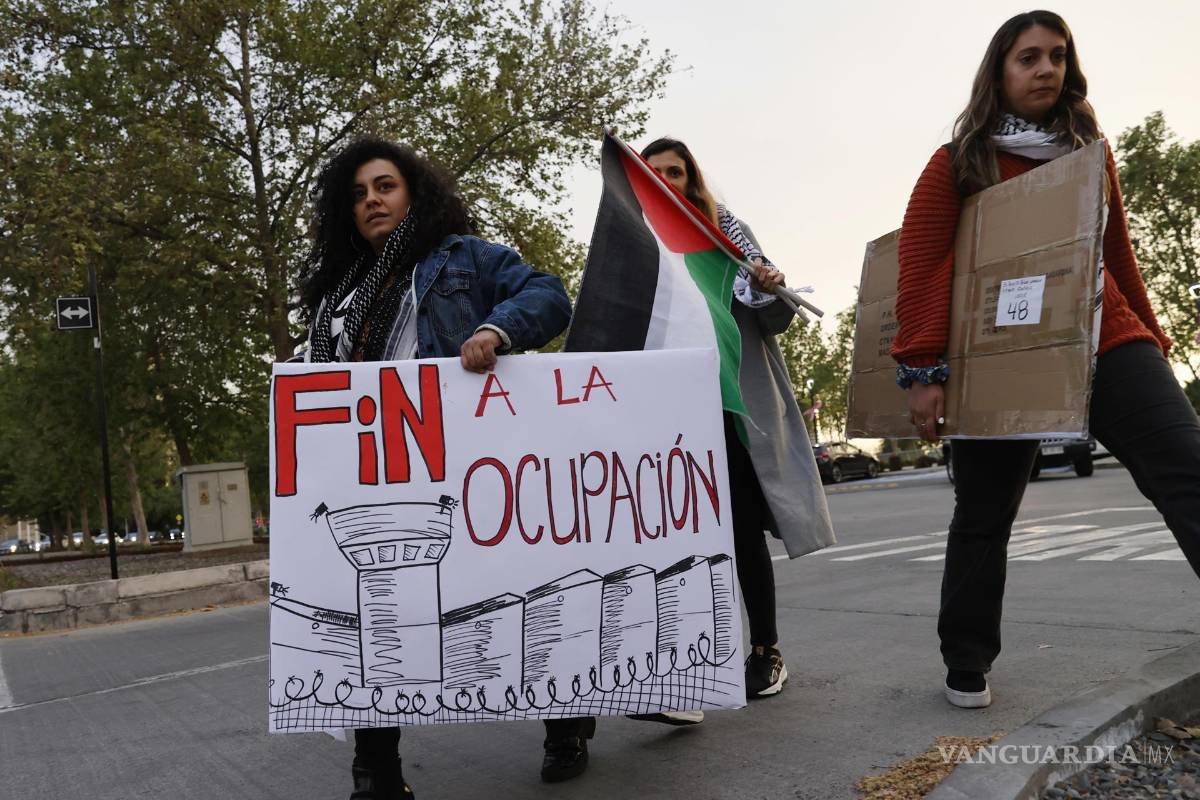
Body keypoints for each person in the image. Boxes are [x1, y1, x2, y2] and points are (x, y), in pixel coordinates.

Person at [891, 10, 1200, 710]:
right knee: (985, 511)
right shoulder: (959, 161)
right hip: (1004, 353)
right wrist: (922, 369)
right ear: (1000, 72)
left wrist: (1153, 338)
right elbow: (922, 264)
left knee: (1187, 472)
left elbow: (1118, 254)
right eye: (1028, 57)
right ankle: (966, 661)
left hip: (1105, 333)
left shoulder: (1090, 153)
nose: (1046, 70)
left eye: (1057, 56)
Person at [295, 136, 572, 798]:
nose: (371, 201)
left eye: (384, 186)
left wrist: (495, 331)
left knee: (516, 587)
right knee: (377, 609)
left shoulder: (463, 258)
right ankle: (377, 772)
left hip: (468, 463)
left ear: (413, 195)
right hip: (377, 470)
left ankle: (565, 721)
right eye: (358, 194)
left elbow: (549, 295)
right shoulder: (337, 294)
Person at [640, 137, 837, 698]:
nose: (665, 182)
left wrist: (768, 287)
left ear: (692, 181)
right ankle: (687, 657)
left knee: (742, 532)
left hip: (731, 408)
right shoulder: (636, 246)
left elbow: (776, 319)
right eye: (653, 174)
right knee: (675, 537)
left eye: (675, 172)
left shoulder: (725, 238)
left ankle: (765, 650)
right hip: (665, 417)